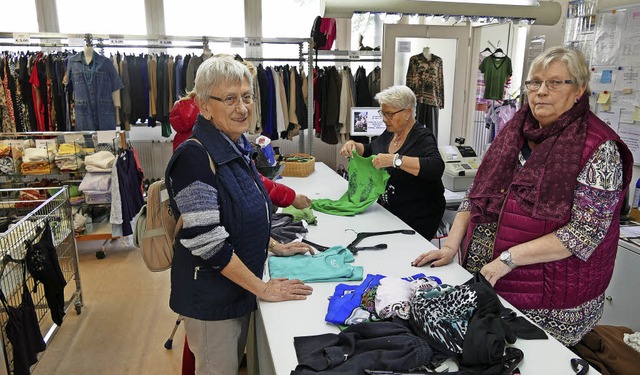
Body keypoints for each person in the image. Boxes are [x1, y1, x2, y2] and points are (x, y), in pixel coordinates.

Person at [412, 47, 633, 346]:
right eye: (534, 82)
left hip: (551, 297)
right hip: (491, 280)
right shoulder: (514, 132)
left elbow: (585, 232)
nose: (541, 92)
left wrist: (507, 260)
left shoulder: (599, 148)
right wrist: (451, 245)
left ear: (579, 90)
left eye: (555, 83)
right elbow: (478, 194)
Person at [165, 56, 314, 375]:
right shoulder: (194, 157)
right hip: (211, 299)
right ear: (204, 106)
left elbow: (245, 211)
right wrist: (263, 288)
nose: (242, 107)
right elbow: (208, 241)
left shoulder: (235, 146)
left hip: (234, 289)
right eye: (230, 99)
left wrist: (275, 245)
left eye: (247, 97)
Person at [340, 85, 445, 240]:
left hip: (419, 217)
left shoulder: (422, 137)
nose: (384, 119)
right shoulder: (390, 133)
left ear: (408, 113)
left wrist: (395, 160)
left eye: (389, 114)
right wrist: (353, 145)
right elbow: (370, 149)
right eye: (382, 113)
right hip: (392, 211)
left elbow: (436, 167)